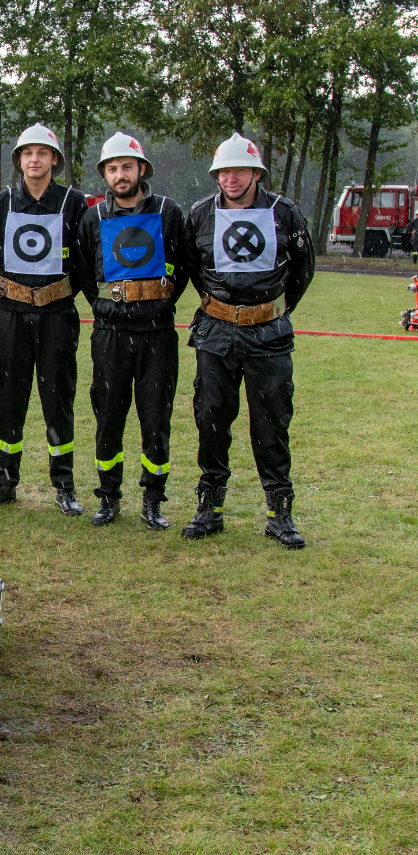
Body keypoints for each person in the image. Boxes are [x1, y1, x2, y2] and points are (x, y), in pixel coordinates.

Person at [181, 133, 314, 548]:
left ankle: (279, 514)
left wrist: (269, 309)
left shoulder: (284, 213)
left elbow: (302, 270)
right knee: (212, 419)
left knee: (272, 423)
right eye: (223, 171)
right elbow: (192, 267)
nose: (231, 178)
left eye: (239, 170)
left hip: (269, 334)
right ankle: (210, 508)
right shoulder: (201, 214)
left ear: (256, 172)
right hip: (215, 332)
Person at [75, 132, 189, 529]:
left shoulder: (169, 212)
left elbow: (184, 265)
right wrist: (108, 306)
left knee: (155, 417)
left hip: (157, 332)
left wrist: (158, 303)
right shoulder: (93, 218)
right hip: (110, 333)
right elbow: (86, 275)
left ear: (141, 169)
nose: (120, 175)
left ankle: (153, 499)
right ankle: (108, 497)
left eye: (127, 167)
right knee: (108, 415)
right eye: (112, 168)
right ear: (104, 174)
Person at [0, 124, 90, 515]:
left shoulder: (75, 203)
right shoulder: (0, 203)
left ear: (54, 159)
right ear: (19, 160)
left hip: (57, 314)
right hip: (10, 315)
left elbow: (85, 261)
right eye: (27, 153)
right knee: (10, 400)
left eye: (42, 153)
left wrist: (55, 294)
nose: (34, 159)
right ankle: (6, 482)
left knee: (58, 400)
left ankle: (64, 485)